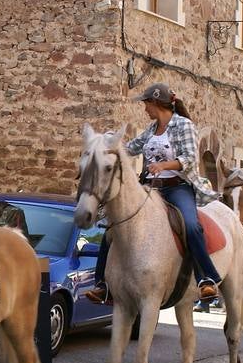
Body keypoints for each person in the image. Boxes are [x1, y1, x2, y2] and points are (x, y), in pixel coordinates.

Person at [85, 83, 221, 304]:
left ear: (156, 103)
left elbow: (190, 158)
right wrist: (107, 145)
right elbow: (129, 148)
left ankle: (206, 278)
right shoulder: (151, 129)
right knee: (114, 226)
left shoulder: (184, 125)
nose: (144, 108)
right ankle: (102, 285)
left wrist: (164, 165)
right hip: (150, 188)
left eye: (146, 103)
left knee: (191, 225)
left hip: (177, 187)